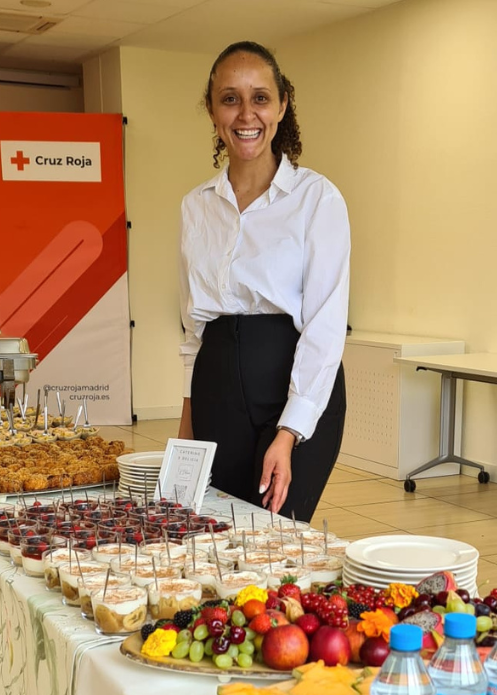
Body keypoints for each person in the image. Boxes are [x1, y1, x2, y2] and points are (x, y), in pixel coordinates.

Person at [178, 40, 350, 522]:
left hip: (293, 381)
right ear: (213, 111)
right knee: (219, 532)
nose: (245, 113)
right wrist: (188, 423)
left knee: (275, 535)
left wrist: (289, 431)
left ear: (281, 106)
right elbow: (193, 328)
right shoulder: (196, 207)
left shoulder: (317, 199)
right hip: (217, 387)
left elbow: (325, 323)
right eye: (229, 98)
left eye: (260, 97)